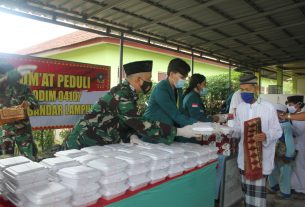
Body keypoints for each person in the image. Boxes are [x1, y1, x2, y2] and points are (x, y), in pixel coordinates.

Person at [63, 60, 198, 149]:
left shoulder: (129, 93)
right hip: (81, 143)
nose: (150, 82)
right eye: (149, 79)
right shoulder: (121, 95)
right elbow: (140, 123)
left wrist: (130, 135)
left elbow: (122, 121)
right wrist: (178, 131)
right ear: (139, 80)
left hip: (96, 143)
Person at [232, 73, 282, 207]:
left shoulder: (268, 107)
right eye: (242, 90)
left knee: (257, 200)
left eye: (247, 90)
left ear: (256, 88)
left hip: (259, 161)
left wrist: (266, 135)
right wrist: (229, 131)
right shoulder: (241, 108)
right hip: (244, 160)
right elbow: (237, 129)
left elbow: (278, 131)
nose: (244, 93)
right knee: (246, 195)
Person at [0, 63, 39, 160]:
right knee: (5, 160)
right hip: (5, 130)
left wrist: (28, 103)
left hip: (23, 129)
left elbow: (36, 104)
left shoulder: (24, 88)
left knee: (30, 158)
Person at [144, 58, 197, 127]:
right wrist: (196, 124)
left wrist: (195, 121)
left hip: (168, 128)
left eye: (185, 78)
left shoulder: (179, 89)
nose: (184, 80)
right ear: (171, 74)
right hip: (152, 129)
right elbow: (174, 114)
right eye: (182, 77)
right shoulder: (161, 88)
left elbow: (180, 111)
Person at [268, 103, 296, 199]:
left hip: (284, 153)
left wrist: (290, 154)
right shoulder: (272, 123)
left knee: (285, 172)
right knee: (272, 169)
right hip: (273, 152)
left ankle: (285, 192)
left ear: (281, 113)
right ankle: (274, 186)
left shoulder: (286, 125)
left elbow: (289, 140)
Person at [286, 95, 305, 198]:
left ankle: (302, 188)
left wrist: (288, 126)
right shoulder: (293, 116)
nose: (289, 107)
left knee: (300, 167)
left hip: (301, 145)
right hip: (296, 145)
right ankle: (296, 186)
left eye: (291, 105)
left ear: (299, 105)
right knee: (295, 167)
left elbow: (298, 132)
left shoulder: (300, 116)